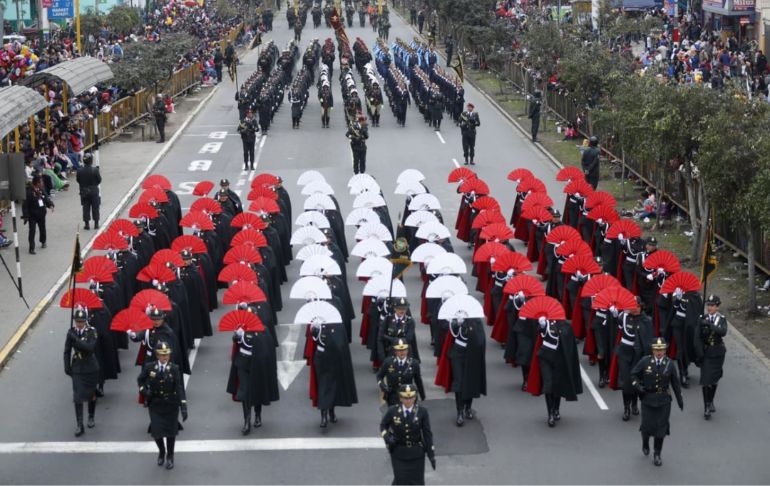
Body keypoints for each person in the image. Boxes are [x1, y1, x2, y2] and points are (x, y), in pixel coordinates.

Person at [631, 337, 683, 467]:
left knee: (661, 428)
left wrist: (680, 400)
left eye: (661, 350)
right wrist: (638, 387)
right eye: (656, 349)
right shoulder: (645, 361)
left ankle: (657, 453)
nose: (659, 352)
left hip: (664, 400)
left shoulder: (670, 364)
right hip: (648, 398)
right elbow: (633, 375)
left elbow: (675, 384)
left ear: (665, 350)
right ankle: (645, 441)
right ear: (653, 350)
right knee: (647, 426)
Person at [137, 341, 188, 470]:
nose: (164, 357)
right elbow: (140, 379)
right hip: (155, 404)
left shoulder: (174, 369)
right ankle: (162, 451)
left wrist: (183, 406)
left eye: (167, 355)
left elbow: (179, 387)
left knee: (171, 432)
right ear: (157, 355)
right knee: (156, 432)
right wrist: (144, 390)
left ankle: (170, 456)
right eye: (161, 355)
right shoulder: (150, 367)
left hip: (170, 404)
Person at [226, 318, 279, 435]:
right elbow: (235, 341)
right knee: (244, 391)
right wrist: (237, 335)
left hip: (257, 365)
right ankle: (247, 420)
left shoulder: (263, 329)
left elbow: (267, 348)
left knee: (257, 389)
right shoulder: (241, 328)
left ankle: (258, 415)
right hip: (243, 364)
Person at [528, 317, 583, 427]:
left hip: (560, 359)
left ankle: (556, 408)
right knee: (548, 384)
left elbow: (569, 344)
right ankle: (550, 414)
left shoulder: (566, 326)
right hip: (546, 358)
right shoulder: (545, 323)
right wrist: (542, 325)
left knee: (557, 384)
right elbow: (539, 333)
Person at [380, 384, 436, 485]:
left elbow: (427, 434)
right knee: (400, 481)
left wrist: (431, 455)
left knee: (417, 482)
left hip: (416, 453)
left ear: (415, 397)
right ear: (400, 398)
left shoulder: (422, 412)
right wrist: (387, 438)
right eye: (405, 398)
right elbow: (383, 425)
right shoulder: (393, 411)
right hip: (399, 453)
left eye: (411, 397)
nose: (408, 400)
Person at [63, 309, 99, 437]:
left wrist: (76, 340)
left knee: (91, 393)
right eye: (77, 321)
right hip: (77, 367)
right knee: (77, 396)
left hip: (90, 366)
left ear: (86, 321)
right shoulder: (71, 332)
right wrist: (67, 366)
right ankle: (79, 425)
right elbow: (67, 350)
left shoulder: (92, 331)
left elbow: (89, 348)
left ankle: (91, 416)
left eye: (82, 321)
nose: (79, 324)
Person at [693, 294, 727, 420]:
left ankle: (711, 399)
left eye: (712, 305)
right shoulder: (702, 318)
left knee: (714, 380)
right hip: (706, 352)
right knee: (705, 381)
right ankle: (706, 406)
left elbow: (723, 332)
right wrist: (699, 352)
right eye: (708, 305)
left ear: (717, 307)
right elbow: (697, 337)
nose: (710, 307)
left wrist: (710, 325)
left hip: (717, 352)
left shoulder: (721, 319)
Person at [377, 339, 426, 406]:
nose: (402, 352)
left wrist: (422, 395)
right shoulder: (388, 362)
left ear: (407, 350)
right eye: (399, 350)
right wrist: (383, 386)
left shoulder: (414, 363)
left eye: (404, 350)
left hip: (409, 396)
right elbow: (379, 376)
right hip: (393, 396)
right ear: (395, 351)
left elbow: (418, 380)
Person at [23, 175, 54, 254]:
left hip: (41, 213)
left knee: (42, 229)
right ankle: (31, 248)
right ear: (37, 183)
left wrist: (50, 205)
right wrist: (26, 216)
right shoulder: (29, 192)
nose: (43, 183)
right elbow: (25, 205)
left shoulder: (42, 189)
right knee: (32, 231)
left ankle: (43, 242)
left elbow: (46, 198)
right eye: (41, 182)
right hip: (32, 215)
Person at [76, 153, 101, 230]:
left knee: (85, 208)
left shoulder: (79, 170)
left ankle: (87, 224)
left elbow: (78, 180)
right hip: (94, 191)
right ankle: (96, 224)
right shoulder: (95, 170)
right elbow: (99, 180)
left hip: (84, 191)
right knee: (95, 207)